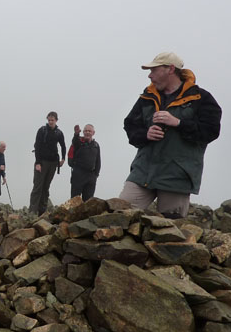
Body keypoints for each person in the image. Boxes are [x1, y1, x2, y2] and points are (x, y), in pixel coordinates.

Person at [119, 52, 221, 218]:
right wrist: (146, 134)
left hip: (177, 177)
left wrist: (178, 123)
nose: (150, 75)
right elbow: (130, 124)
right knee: (118, 216)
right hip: (142, 173)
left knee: (169, 233)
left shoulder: (201, 98)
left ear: (170, 69)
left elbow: (211, 131)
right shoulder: (147, 96)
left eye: (154, 70)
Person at [29, 111, 66, 215]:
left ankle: (42, 210)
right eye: (49, 120)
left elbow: (63, 146)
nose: (50, 122)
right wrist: (38, 163)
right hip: (42, 162)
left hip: (53, 163)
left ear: (56, 120)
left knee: (46, 187)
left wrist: (63, 158)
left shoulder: (59, 133)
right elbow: (37, 147)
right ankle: (32, 211)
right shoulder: (42, 130)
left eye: (52, 120)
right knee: (37, 186)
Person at [70, 124, 101, 201]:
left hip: (91, 176)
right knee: (75, 200)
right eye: (86, 131)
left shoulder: (96, 145)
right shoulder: (79, 142)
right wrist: (76, 134)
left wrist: (96, 175)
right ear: (83, 132)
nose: (87, 132)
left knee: (88, 202)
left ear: (93, 133)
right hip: (78, 174)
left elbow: (98, 161)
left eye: (89, 131)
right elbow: (75, 141)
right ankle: (74, 213)